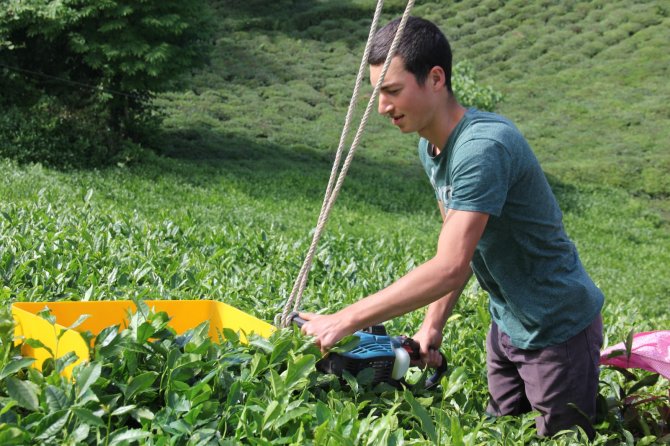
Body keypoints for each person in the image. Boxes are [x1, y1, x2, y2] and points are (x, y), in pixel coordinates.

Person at [299, 16, 604, 439]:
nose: (383, 107)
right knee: (498, 431)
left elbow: (448, 266)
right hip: (507, 324)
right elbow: (462, 249)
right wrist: (433, 326)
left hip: (556, 332)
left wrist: (345, 320)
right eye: (377, 94)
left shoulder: (482, 149)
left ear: (435, 78)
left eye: (392, 91)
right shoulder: (432, 146)